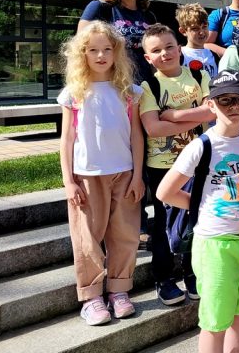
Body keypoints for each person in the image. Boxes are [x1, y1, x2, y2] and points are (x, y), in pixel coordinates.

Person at [156, 70, 239, 353]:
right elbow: (164, 192)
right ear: (211, 105)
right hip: (216, 244)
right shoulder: (202, 145)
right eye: (225, 101)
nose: (234, 107)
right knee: (214, 322)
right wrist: (199, 203)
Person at [58, 21, 144, 326]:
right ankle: (92, 297)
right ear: (82, 54)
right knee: (87, 237)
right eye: (93, 50)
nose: (101, 55)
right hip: (87, 175)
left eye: (107, 49)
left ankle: (119, 290)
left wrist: (137, 175)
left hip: (123, 173)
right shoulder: (74, 93)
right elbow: (67, 139)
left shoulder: (129, 91)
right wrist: (69, 181)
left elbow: (136, 136)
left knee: (125, 234)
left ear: (117, 52)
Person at [139, 24, 214, 306]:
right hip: (163, 166)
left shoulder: (198, 75)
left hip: (198, 162)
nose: (165, 53)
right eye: (156, 50)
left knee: (196, 219)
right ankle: (164, 278)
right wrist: (195, 118)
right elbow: (154, 129)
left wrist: (173, 114)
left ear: (179, 47)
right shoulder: (149, 87)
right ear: (147, 58)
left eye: (169, 46)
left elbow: (211, 109)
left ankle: (193, 273)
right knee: (163, 225)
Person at [78, 0, 156, 83]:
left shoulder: (149, 16)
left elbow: (154, 57)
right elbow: (80, 52)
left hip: (147, 92)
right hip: (114, 90)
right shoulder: (98, 8)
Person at [176, 3, 218, 78]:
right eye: (195, 29)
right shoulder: (179, 55)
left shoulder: (214, 56)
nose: (201, 32)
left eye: (204, 27)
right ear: (183, 31)